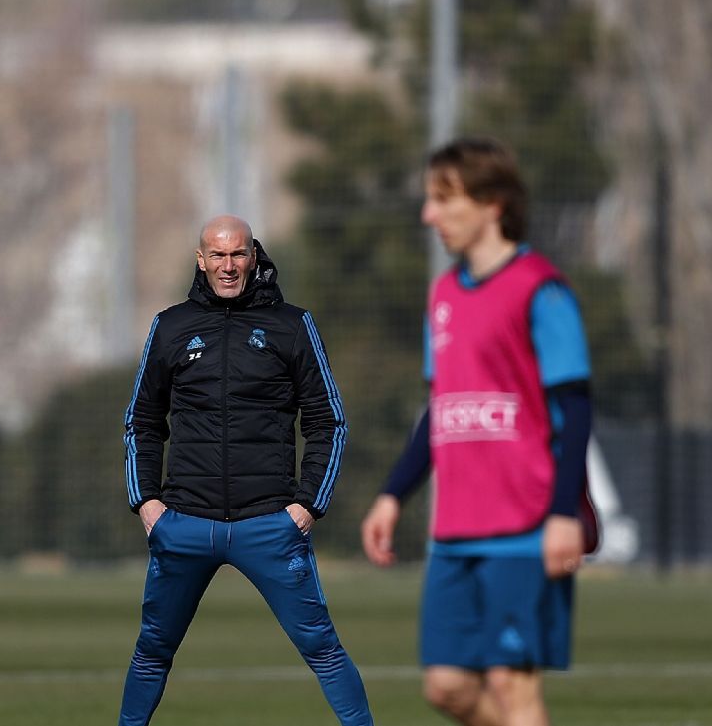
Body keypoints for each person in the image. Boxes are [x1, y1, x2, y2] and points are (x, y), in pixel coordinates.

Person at [360, 137, 598, 726]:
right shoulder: (443, 295)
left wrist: (563, 514)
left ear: (493, 203)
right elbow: (441, 408)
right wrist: (393, 494)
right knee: (446, 687)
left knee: (513, 686)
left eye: (444, 200)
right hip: (456, 529)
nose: (429, 215)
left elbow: (576, 409)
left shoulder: (540, 288)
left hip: (525, 526)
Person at [119, 215, 373, 726]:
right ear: (201, 260)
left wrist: (307, 506)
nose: (228, 265)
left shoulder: (293, 325)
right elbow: (141, 422)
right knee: (152, 650)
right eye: (217, 255)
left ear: (254, 257)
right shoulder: (170, 326)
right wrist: (147, 504)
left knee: (322, 647)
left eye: (238, 254)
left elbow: (328, 422)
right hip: (184, 523)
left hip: (270, 524)